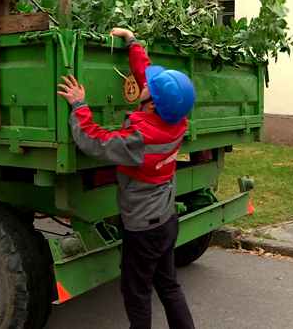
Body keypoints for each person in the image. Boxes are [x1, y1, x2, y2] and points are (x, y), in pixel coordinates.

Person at [57, 27, 197, 329]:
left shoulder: (140, 139)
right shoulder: (175, 120)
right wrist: (131, 41)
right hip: (166, 222)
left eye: (149, 89)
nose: (144, 85)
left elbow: (95, 141)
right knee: (169, 286)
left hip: (143, 232)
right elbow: (149, 78)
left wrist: (80, 105)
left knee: (136, 295)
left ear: (151, 105)